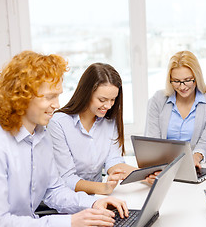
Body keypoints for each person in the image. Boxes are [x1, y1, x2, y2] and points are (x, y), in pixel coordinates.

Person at [0, 51, 129, 226]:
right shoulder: (0, 145)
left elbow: (54, 191)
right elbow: (0, 221)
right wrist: (70, 222)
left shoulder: (41, 137)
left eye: (57, 95)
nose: (57, 105)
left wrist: (94, 203)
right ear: (21, 96)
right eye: (49, 97)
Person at [48, 63, 138, 195]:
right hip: (68, 200)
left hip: (98, 197)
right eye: (102, 100)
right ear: (86, 93)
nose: (108, 106)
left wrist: (145, 176)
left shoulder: (109, 120)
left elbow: (113, 161)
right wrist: (103, 188)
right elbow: (67, 178)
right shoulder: (59, 123)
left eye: (113, 100)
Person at [145, 50, 206, 168]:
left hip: (191, 164)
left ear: (196, 77)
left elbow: (205, 141)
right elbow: (153, 140)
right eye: (176, 81)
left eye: (187, 80)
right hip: (162, 164)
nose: (182, 87)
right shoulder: (158, 99)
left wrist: (195, 158)